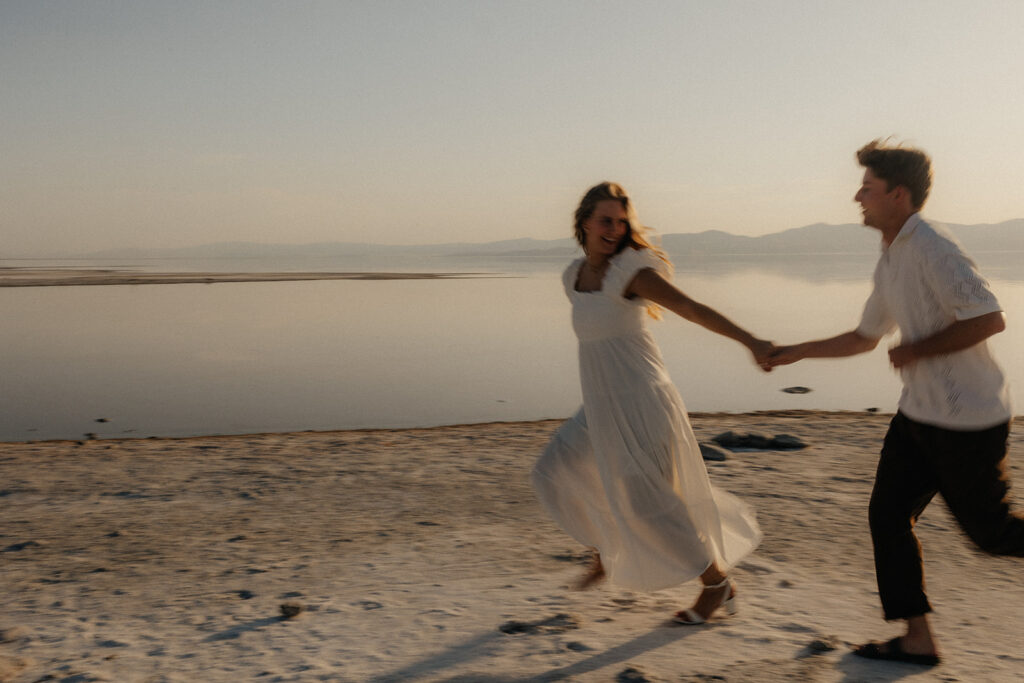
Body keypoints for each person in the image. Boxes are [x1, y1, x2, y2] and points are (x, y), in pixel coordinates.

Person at [768, 140, 1024, 666]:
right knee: (887, 515)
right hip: (917, 417)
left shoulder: (933, 247)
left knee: (994, 536)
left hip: (967, 420)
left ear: (898, 195)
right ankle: (917, 638)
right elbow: (865, 337)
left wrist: (916, 349)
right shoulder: (891, 255)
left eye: (868, 187)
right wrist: (797, 352)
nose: (857, 196)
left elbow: (988, 317)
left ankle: (916, 635)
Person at [531, 182, 771, 625]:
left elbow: (692, 309)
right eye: (606, 220)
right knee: (556, 468)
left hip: (642, 399)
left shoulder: (633, 273)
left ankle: (717, 585)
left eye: (622, 222)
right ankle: (606, 546)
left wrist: (751, 341)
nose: (615, 229)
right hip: (601, 403)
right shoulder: (573, 277)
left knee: (649, 503)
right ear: (584, 221)